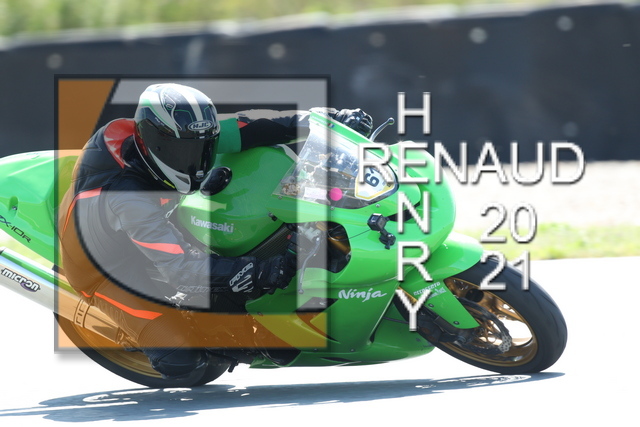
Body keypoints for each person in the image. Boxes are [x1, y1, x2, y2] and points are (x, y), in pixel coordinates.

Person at [58, 82, 373, 379]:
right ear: (153, 141)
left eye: (203, 147)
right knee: (183, 360)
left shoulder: (177, 135)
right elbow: (181, 268)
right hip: (107, 267)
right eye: (184, 151)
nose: (196, 160)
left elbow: (256, 126)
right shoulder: (128, 198)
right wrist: (267, 271)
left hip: (155, 219)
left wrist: (331, 121)